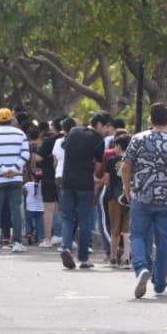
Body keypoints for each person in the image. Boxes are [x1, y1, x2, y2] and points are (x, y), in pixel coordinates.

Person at [123, 103, 167, 300]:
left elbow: (126, 167)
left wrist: (127, 190)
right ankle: (161, 285)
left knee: (137, 235)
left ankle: (141, 268)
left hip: (142, 197)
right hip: (166, 199)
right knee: (162, 240)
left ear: (150, 120)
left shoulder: (138, 139)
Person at [59, 113, 115, 269]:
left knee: (67, 218)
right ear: (99, 124)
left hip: (67, 181)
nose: (108, 131)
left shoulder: (73, 132)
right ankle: (83, 259)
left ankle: (66, 248)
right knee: (84, 221)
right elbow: (97, 167)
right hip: (85, 184)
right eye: (107, 127)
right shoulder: (98, 140)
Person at [0, 107, 30, 253]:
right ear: (11, 119)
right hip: (15, 178)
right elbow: (26, 154)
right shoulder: (20, 133)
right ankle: (16, 242)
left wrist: (2, 169)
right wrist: (14, 169)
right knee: (15, 209)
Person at [98, 134, 131, 266]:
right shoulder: (132, 160)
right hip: (129, 197)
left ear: (117, 146)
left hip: (114, 197)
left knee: (114, 229)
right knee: (126, 229)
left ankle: (112, 257)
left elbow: (106, 180)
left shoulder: (112, 160)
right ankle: (127, 257)